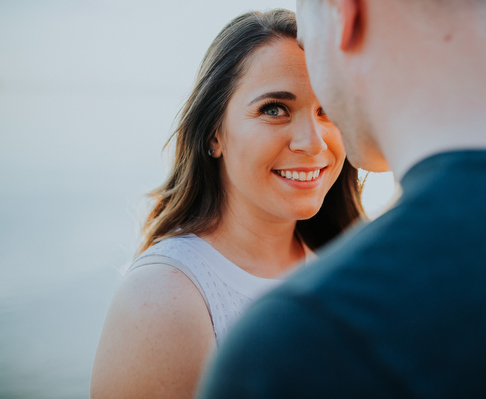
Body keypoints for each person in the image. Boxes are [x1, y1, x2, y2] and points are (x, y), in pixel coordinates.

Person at [200, 0, 486, 398]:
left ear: (344, 12)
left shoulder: (297, 347)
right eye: (275, 109)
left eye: (308, 37)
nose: (314, 138)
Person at [90, 9, 364, 399]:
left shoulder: (345, 265)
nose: (314, 142)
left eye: (327, 110)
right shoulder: (163, 299)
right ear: (214, 134)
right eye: (274, 109)